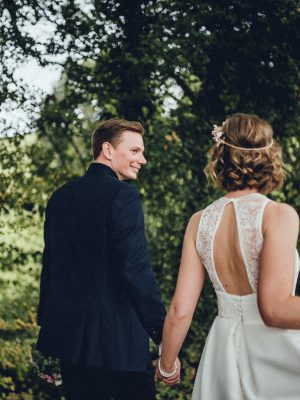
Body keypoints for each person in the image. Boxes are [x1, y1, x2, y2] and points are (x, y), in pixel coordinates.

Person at [156, 113, 300, 399]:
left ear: (220, 158)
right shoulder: (278, 215)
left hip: (222, 352)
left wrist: (167, 363)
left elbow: (181, 309)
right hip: (274, 356)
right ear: (269, 157)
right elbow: (276, 309)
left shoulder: (200, 221)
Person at [36, 118, 166, 400]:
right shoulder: (123, 196)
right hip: (119, 345)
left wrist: (45, 322)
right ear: (107, 150)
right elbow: (136, 271)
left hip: (70, 343)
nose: (142, 159)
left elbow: (51, 266)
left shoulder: (60, 197)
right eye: (134, 151)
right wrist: (164, 334)